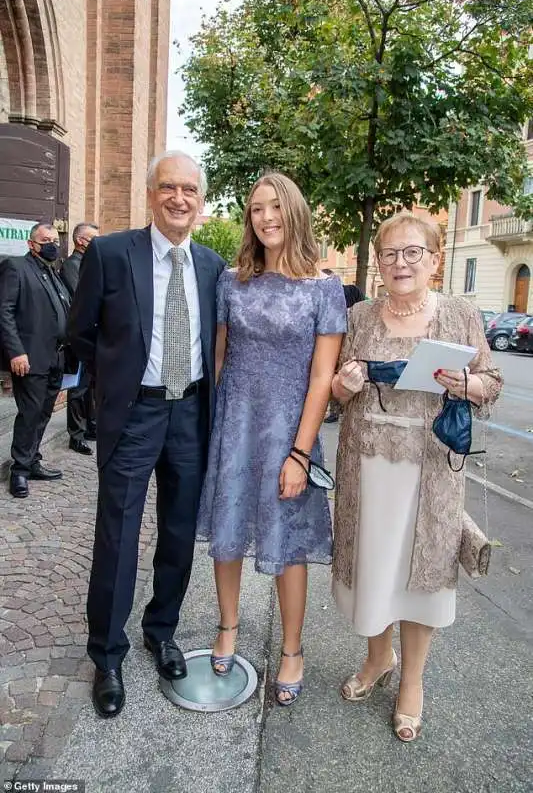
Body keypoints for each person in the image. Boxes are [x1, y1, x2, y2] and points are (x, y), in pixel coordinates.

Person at [331, 213, 502, 741]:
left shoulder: (459, 315)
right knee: (374, 570)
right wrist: (344, 383)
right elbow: (336, 389)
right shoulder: (359, 315)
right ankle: (377, 658)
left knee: (420, 575)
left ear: (434, 260)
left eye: (412, 253)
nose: (399, 263)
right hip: (368, 468)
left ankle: (412, 681)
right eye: (389, 253)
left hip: (430, 472)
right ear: (378, 262)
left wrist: (471, 383)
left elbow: (492, 384)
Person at [67, 150, 225, 718]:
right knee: (118, 535)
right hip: (134, 415)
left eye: (189, 189)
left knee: (179, 533)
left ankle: (163, 630)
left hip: (190, 415)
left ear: (200, 201)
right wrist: (116, 383)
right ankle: (107, 655)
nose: (178, 199)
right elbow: (79, 332)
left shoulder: (212, 265)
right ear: (150, 194)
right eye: (168, 188)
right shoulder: (111, 254)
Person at [197, 172, 346, 706]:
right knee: (227, 530)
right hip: (235, 427)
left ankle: (292, 650)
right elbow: (218, 358)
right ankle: (228, 627)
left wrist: (300, 455)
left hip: (290, 432)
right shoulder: (232, 282)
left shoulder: (323, 287)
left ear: (295, 212)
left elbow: (322, 378)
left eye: (275, 207)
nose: (266, 218)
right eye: (256, 209)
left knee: (289, 546)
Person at [0, 222, 70, 498]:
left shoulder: (53, 273)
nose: (52, 244)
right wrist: (16, 351)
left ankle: (32, 460)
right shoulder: (16, 267)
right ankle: (19, 470)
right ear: (32, 244)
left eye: (55, 239)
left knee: (43, 412)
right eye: (45, 240)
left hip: (56, 356)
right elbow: (4, 312)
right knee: (30, 413)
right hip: (29, 357)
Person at [60, 222, 99, 455]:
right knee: (77, 389)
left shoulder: (88, 264)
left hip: (92, 337)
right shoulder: (72, 265)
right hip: (78, 337)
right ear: (81, 241)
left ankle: (89, 426)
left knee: (90, 387)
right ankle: (76, 435)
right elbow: (83, 298)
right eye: (94, 238)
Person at [322, 269, 365, 423]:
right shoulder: (327, 296)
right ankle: (335, 409)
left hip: (347, 336)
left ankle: (336, 409)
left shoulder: (350, 291)